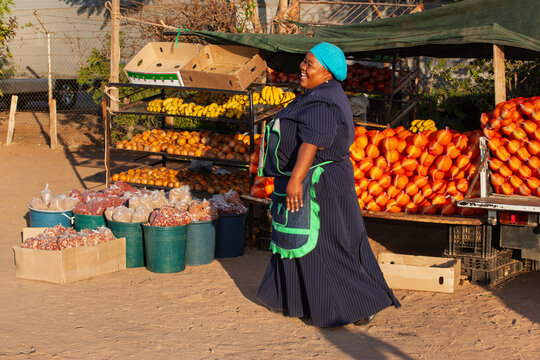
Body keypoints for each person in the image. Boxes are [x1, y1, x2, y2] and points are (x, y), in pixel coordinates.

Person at [256, 42, 400, 328]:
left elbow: (314, 139)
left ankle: (360, 305)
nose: (302, 67)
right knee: (301, 242)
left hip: (320, 184)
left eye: (309, 64)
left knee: (327, 246)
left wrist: (296, 179)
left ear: (327, 73)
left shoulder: (323, 100)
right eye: (304, 61)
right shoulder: (318, 93)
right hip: (312, 180)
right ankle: (298, 300)